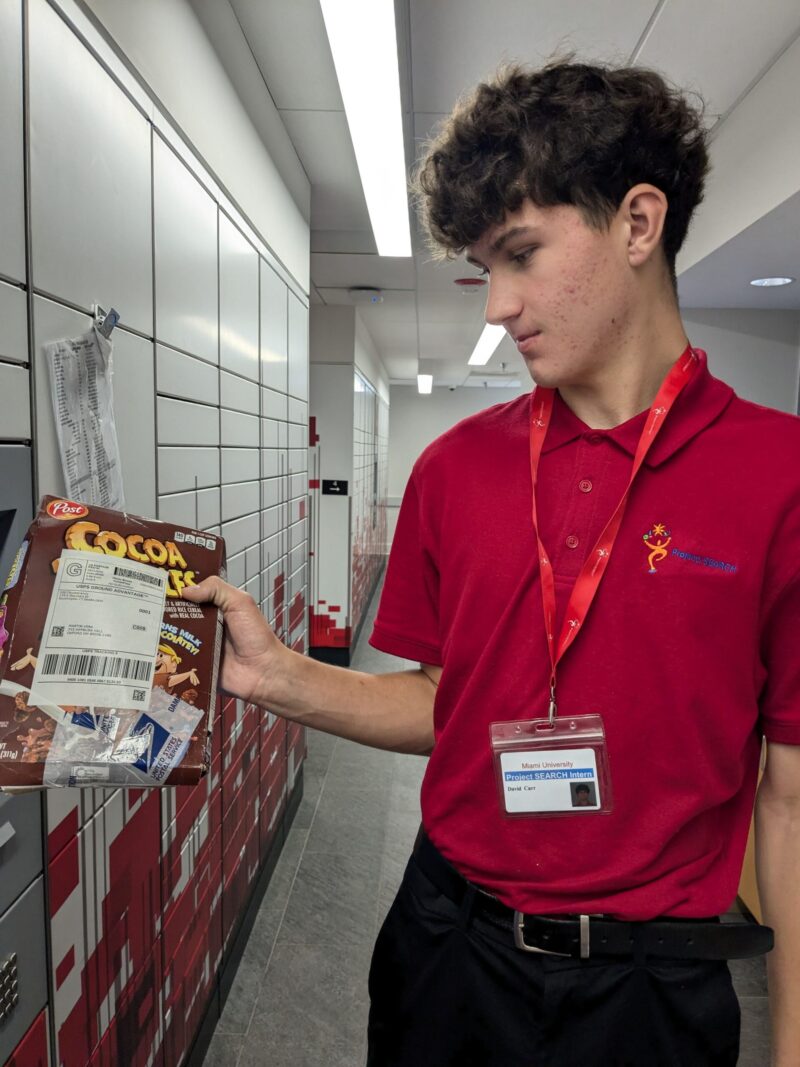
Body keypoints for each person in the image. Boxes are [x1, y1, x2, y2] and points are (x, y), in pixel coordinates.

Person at [183, 59, 800, 1067]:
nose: (495, 305)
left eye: (519, 254)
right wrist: (276, 677)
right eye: (483, 267)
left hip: (646, 990)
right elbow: (444, 703)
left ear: (637, 223)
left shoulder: (776, 478)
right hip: (446, 947)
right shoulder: (454, 469)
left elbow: (785, 797)